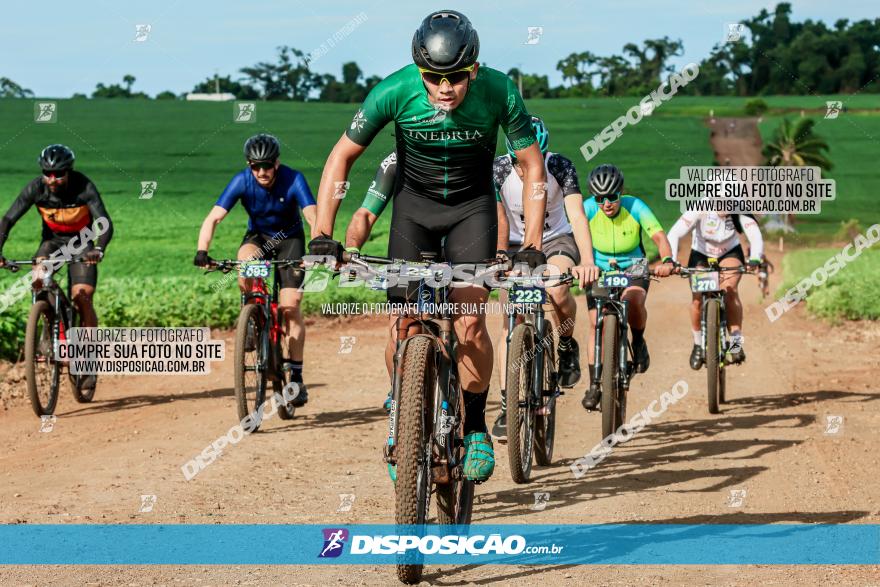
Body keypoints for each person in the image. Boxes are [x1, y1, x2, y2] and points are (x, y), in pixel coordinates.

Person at [309, 10, 546, 483]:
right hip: (414, 211)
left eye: (456, 77)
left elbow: (532, 167)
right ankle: (404, 410)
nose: (445, 87)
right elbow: (342, 157)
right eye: (434, 77)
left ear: (473, 69)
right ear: (419, 72)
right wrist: (321, 233)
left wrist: (532, 245)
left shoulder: (500, 91)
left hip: (470, 209)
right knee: (402, 320)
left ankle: (475, 424)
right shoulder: (393, 91)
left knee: (471, 318)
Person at [491, 115, 600, 440]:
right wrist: (498, 256)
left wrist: (589, 261)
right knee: (511, 315)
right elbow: (497, 216)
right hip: (513, 243)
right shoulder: (497, 168)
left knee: (556, 287)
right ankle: (507, 403)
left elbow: (578, 216)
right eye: (520, 162)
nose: (526, 169)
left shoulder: (561, 166)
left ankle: (566, 344)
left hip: (556, 240)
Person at [194, 133, 316, 405]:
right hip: (258, 239)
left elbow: (311, 214)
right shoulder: (242, 180)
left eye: (267, 165)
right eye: (256, 166)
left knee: (290, 305)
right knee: (246, 264)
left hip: (290, 240)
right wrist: (202, 251)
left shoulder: (293, 179)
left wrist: (319, 245)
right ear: (249, 165)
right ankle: (251, 316)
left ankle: (295, 377)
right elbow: (214, 217)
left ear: (277, 163)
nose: (262, 171)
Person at [0, 144, 113, 391]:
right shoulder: (36, 188)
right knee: (38, 278)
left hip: (82, 244)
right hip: (52, 244)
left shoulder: (83, 186)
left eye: (58, 174)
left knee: (82, 296)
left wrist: (99, 250)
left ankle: (88, 359)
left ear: (68, 172)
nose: (52, 179)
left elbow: (104, 222)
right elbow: (8, 219)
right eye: (47, 173)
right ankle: (47, 327)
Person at [580, 164, 674, 411]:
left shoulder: (635, 206)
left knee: (633, 301)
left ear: (620, 193)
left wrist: (666, 260)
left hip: (633, 267)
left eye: (612, 197)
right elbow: (571, 237)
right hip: (599, 269)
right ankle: (594, 384)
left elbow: (659, 237)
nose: (607, 204)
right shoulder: (587, 209)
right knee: (594, 323)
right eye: (600, 198)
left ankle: (639, 341)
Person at [666, 211, 764, 366]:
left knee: (730, 289)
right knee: (697, 298)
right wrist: (670, 260)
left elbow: (755, 235)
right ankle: (698, 344)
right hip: (701, 254)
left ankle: (735, 344)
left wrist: (755, 259)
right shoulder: (700, 207)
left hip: (729, 252)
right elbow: (675, 233)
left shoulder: (738, 206)